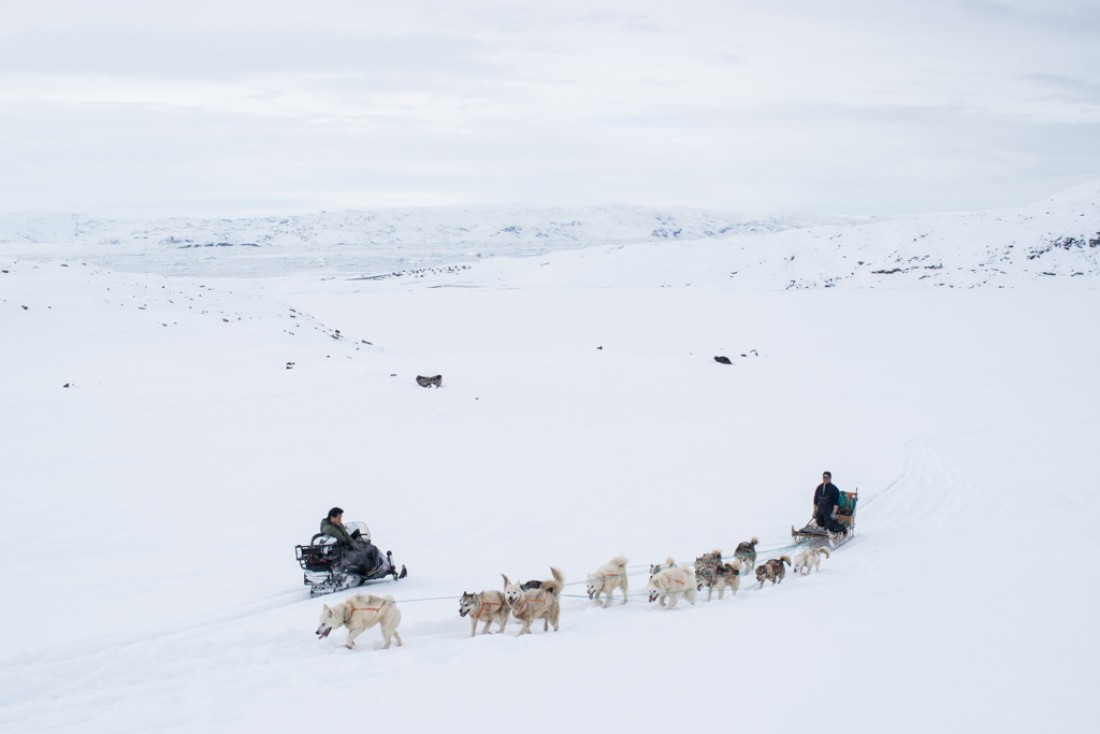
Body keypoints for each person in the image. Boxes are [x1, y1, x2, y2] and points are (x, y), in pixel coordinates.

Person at [319, 506, 392, 578]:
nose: (340, 520)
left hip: (343, 547)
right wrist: (354, 546)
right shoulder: (329, 528)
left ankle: (380, 566)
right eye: (339, 518)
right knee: (361, 553)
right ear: (332, 518)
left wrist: (355, 544)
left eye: (341, 517)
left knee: (367, 547)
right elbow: (343, 539)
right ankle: (368, 570)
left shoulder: (336, 525)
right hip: (342, 551)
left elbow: (347, 537)